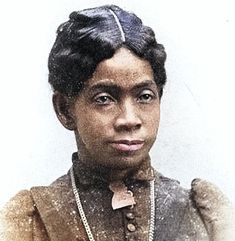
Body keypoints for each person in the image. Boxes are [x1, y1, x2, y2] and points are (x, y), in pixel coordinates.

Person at [0, 5, 234, 241]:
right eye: (104, 99)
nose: (129, 120)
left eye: (144, 96)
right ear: (65, 109)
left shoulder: (205, 216)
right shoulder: (29, 222)